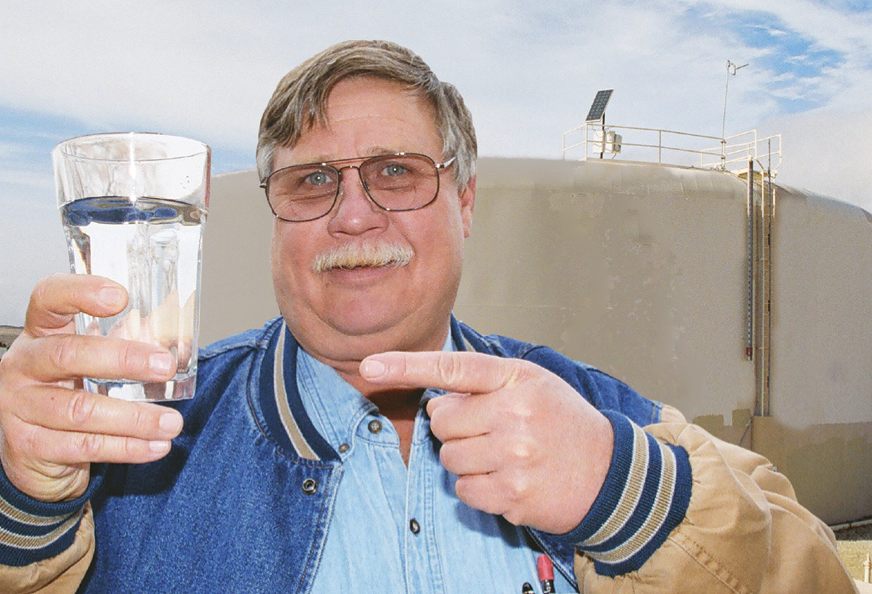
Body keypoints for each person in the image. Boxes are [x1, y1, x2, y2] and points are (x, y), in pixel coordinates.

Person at [0, 40, 857, 594]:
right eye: (312, 180)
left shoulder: (588, 414)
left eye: (397, 173)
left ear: (466, 201)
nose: (354, 214)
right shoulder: (142, 442)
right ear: (273, 215)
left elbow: (812, 573)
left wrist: (621, 493)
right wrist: (23, 496)